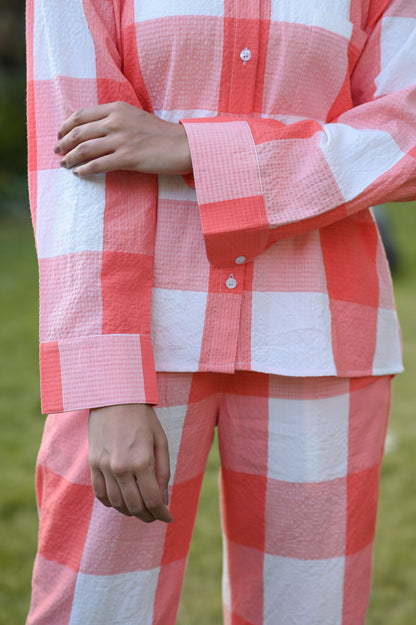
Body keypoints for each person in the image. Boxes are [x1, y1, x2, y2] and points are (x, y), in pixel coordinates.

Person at [25, 1, 416, 624]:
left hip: (319, 330)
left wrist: (196, 148)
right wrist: (108, 378)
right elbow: (75, 155)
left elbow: (407, 129)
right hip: (138, 333)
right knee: (96, 610)